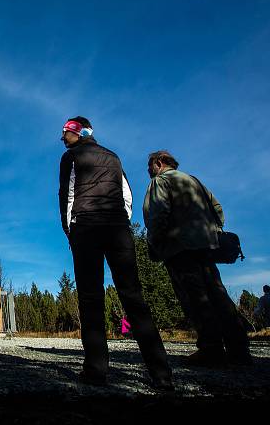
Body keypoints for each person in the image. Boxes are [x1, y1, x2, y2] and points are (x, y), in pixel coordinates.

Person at [59, 117, 173, 390]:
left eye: (66, 133)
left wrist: (69, 230)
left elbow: (67, 195)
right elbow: (127, 196)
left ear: (80, 133)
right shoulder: (113, 157)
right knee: (133, 296)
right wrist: (121, 220)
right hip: (118, 229)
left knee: (90, 297)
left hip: (86, 227)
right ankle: (161, 372)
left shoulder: (71, 157)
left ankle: (96, 370)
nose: (62, 138)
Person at [143, 150, 251, 366]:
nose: (148, 171)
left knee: (194, 296)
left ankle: (211, 349)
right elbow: (218, 210)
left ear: (158, 163)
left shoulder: (161, 181)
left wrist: (155, 243)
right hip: (206, 246)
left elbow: (157, 215)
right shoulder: (194, 181)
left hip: (179, 247)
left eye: (149, 166)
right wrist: (212, 232)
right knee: (218, 294)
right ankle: (239, 348)